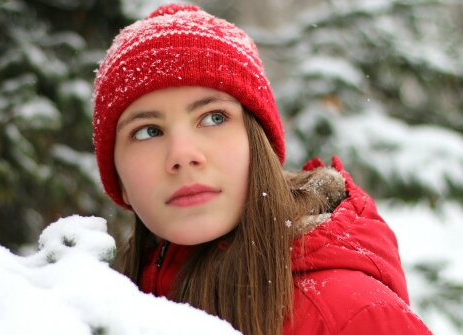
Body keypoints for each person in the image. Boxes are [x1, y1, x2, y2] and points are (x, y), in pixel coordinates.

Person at [92, 4, 432, 335]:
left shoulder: (349, 315)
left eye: (214, 117)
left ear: (260, 145)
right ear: (118, 179)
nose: (182, 155)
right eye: (148, 131)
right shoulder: (94, 308)